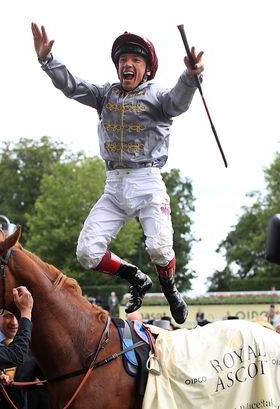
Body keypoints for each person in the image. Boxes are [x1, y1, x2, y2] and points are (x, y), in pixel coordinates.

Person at [31, 22, 204, 325]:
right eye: (123, 60)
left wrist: (190, 76)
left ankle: (170, 288)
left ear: (147, 69)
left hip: (148, 183)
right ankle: (136, 278)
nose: (128, 64)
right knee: (86, 253)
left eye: (136, 60)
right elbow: (71, 86)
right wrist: (48, 60)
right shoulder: (105, 95)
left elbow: (179, 100)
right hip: (114, 186)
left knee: (160, 248)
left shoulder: (159, 96)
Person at [0, 309, 48, 409]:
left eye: (18, 316)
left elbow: (49, 381)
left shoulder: (34, 347)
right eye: (8, 316)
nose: (14, 322)